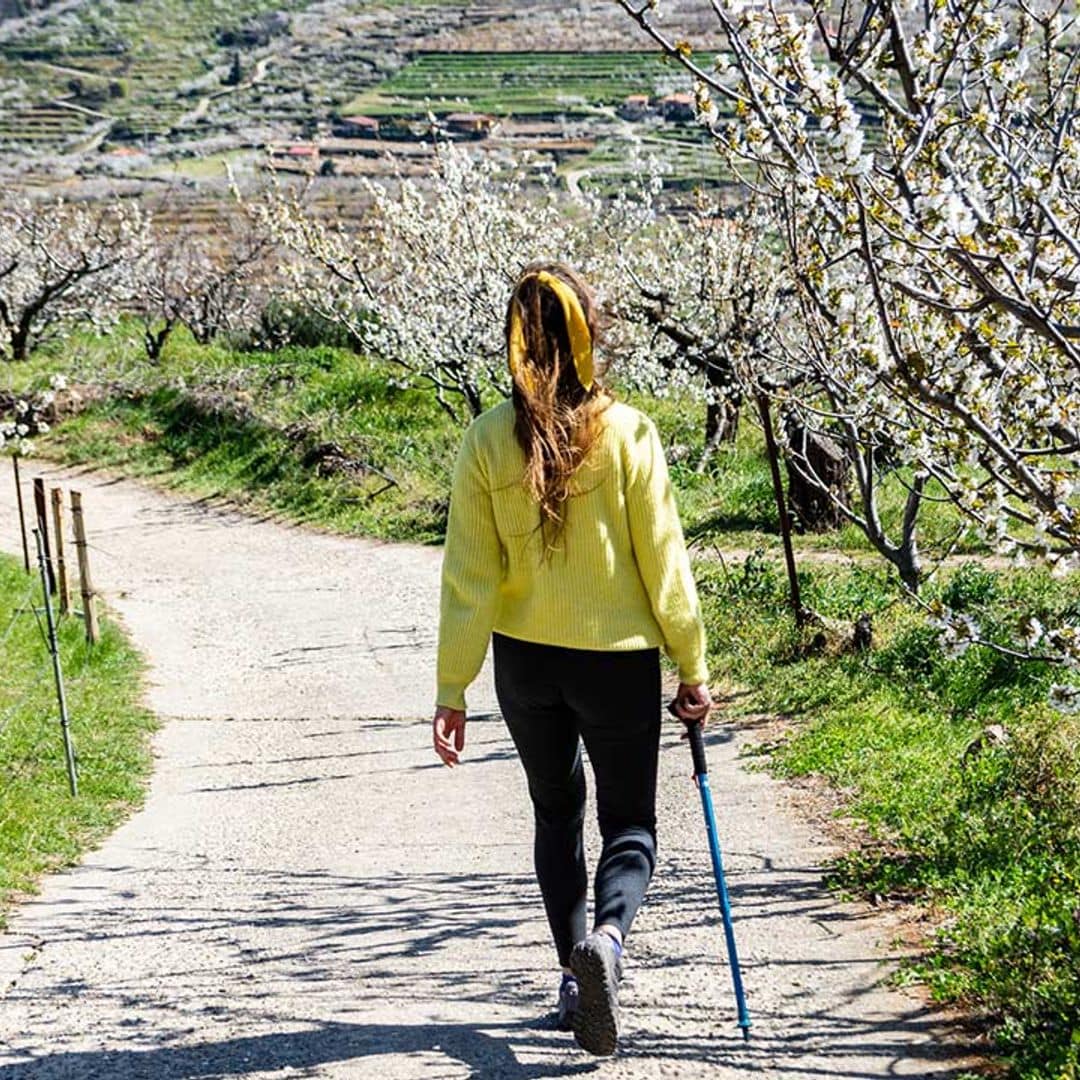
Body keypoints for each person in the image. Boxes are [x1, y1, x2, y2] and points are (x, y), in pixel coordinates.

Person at [432, 261, 712, 1057]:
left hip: (526, 667)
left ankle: (569, 969)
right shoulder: (628, 433)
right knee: (630, 823)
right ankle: (609, 947)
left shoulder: (487, 438)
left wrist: (452, 687)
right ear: (589, 334)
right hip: (617, 664)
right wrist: (691, 665)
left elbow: (469, 577)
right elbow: (665, 563)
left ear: (515, 344)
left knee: (557, 813)